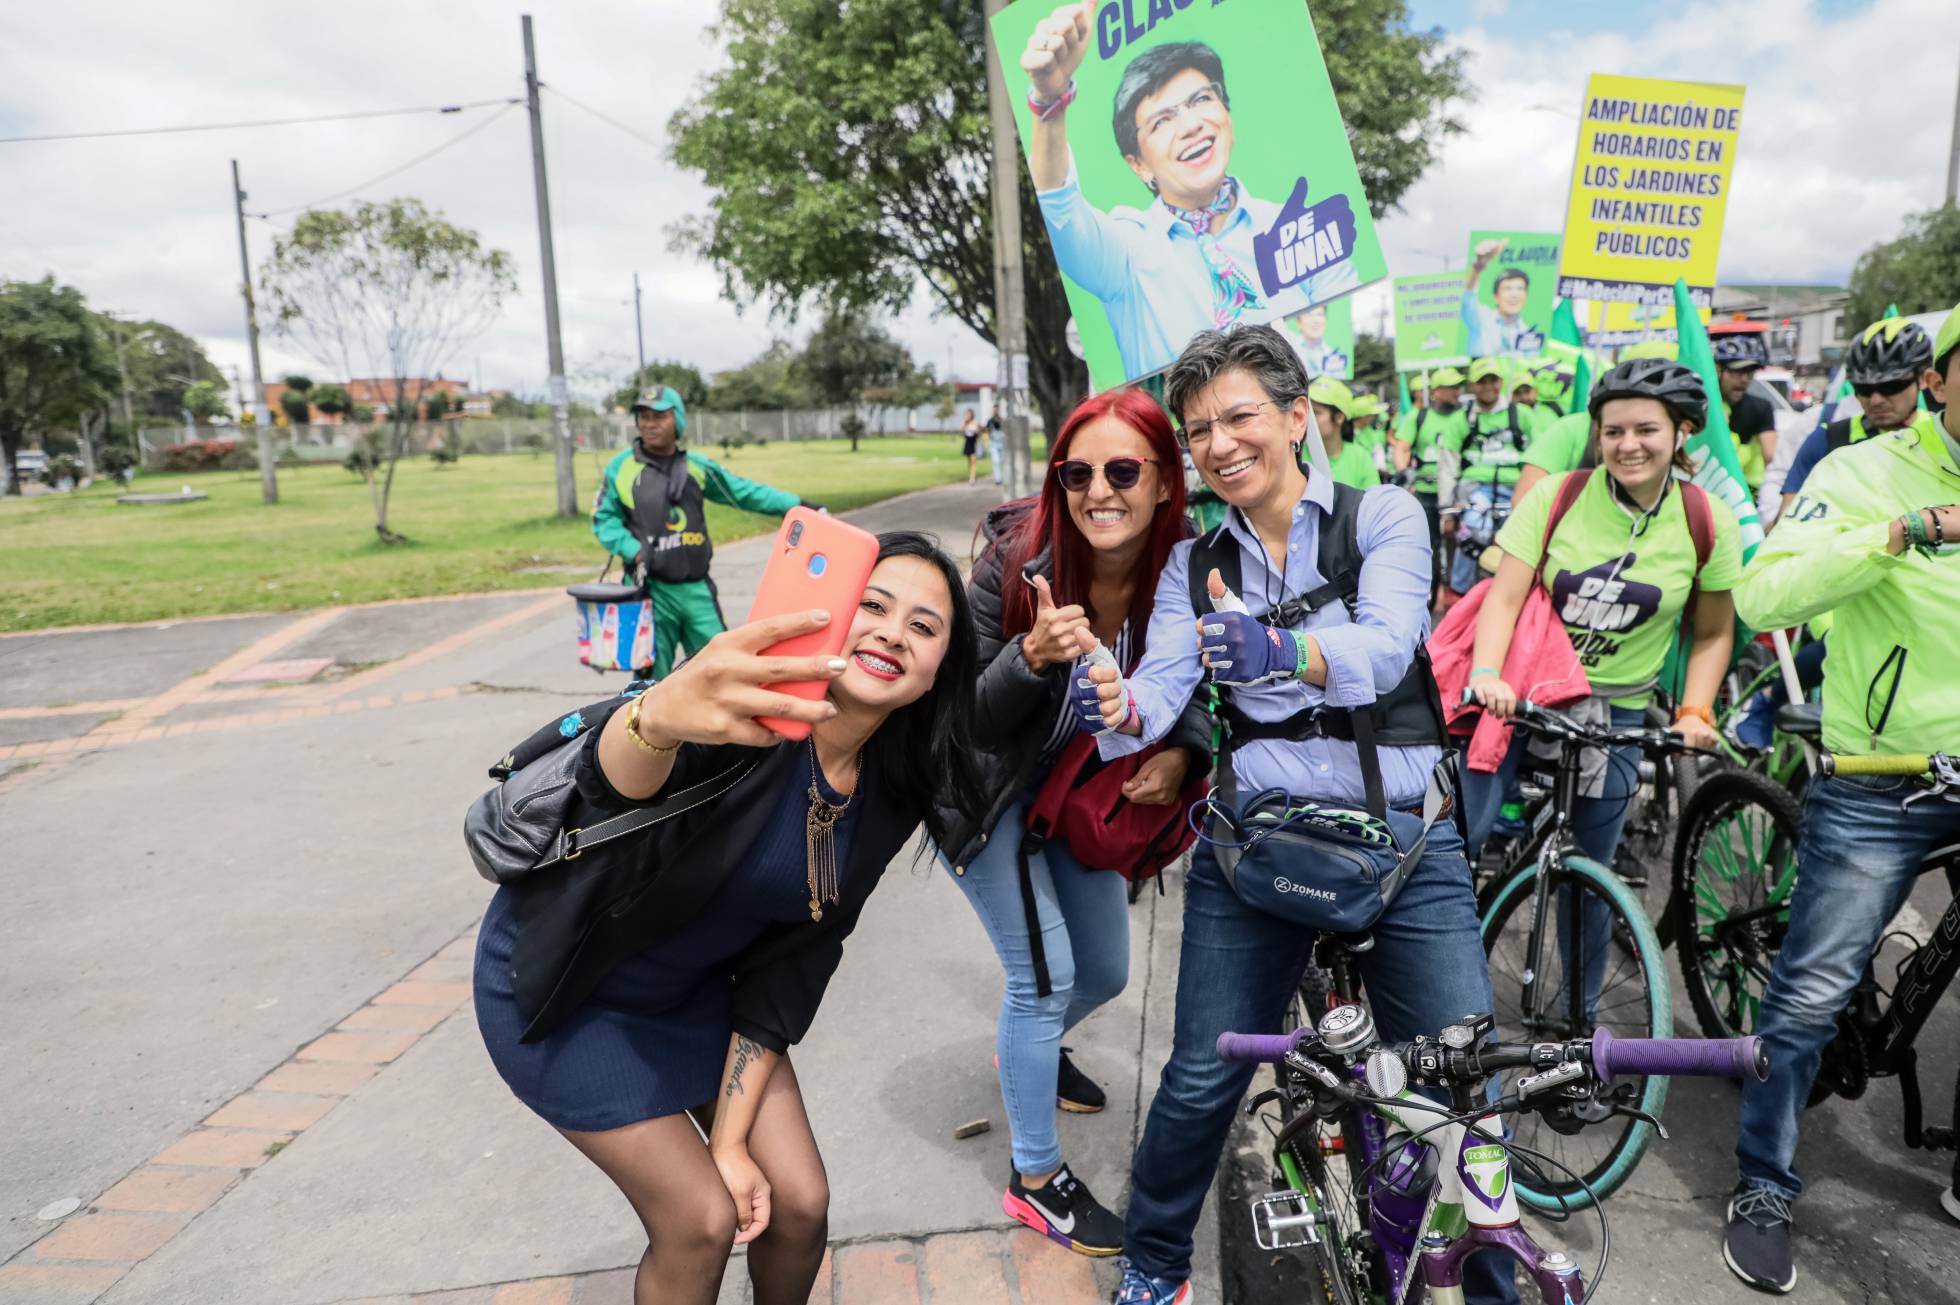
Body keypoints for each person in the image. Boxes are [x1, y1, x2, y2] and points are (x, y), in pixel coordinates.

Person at [1075, 325, 1510, 1305]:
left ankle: (1489, 1291)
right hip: (1256, 850)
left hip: (1405, 847)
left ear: (1296, 417)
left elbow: (1393, 648)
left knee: (1462, 1091)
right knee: (1199, 1077)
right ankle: (1151, 1268)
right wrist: (1103, 692)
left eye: (1239, 418)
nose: (1220, 444)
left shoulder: (1382, 516)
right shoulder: (1190, 566)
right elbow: (1148, 700)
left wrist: (1285, 654)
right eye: (1198, 432)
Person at [468, 533, 984, 1305]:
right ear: (834, 612)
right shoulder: (739, 715)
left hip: (697, 995)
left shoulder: (892, 789)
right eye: (872, 605)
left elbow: (796, 960)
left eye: (923, 625)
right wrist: (658, 716)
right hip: (569, 991)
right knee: (701, 1218)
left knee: (801, 1203)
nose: (890, 632)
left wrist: (735, 1138)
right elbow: (618, 783)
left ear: (942, 665)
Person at [1720, 303, 1960, 1294]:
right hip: (1880, 780)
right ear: (1939, 382)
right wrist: (1900, 533)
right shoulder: (1861, 471)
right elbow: (1763, 599)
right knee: (1814, 990)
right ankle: (1763, 1184)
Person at [938, 387, 1207, 1257]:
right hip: (981, 794)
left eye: (1124, 469)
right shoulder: (1015, 561)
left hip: (1075, 797)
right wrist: (1029, 655)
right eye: (1079, 470)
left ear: (1165, 481)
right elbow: (965, 720)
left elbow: (1204, 681)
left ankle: (1030, 1051)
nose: (1100, 489)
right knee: (1042, 978)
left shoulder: (1187, 567)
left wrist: (1183, 754)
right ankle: (1035, 1177)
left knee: (1105, 968)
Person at [1462, 359, 1739, 873]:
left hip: (1619, 710)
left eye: (1646, 429)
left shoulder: (1708, 518)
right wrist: (1485, 675)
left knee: (1591, 871)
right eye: (1613, 432)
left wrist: (1696, 711)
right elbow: (1503, 599)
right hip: (1521, 694)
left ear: (1683, 432)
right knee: (1462, 841)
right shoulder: (1557, 495)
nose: (1628, 444)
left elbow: (1714, 631)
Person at [1019, 5, 1359, 380]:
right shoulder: (1125, 252)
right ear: (1138, 164)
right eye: (1162, 121)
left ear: (1226, 112)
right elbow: (1060, 208)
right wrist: (1049, 99)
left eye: (1201, 100)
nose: (1191, 125)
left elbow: (1335, 335)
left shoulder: (1297, 226)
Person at [593, 388, 816, 678]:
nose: (650, 424)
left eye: (660, 416)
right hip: (650, 591)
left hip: (696, 589)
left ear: (679, 421)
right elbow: (603, 519)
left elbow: (744, 491)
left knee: (722, 667)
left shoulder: (697, 466)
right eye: (643, 417)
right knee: (650, 681)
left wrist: (796, 506)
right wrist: (632, 548)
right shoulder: (620, 467)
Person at [1779, 317, 1937, 517]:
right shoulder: (1827, 440)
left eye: (1891, 386)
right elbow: (1787, 524)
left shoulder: (1945, 437)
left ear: (1924, 379)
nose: (1876, 400)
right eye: (1864, 389)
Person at [1439, 359, 1548, 595]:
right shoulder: (1462, 419)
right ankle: (1459, 594)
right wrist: (1447, 509)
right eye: (1482, 381)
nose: (1488, 386)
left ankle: (1519, 595)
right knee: (1472, 534)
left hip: (1517, 490)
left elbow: (1541, 456)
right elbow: (1448, 464)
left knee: (1518, 544)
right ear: (1472, 385)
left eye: (1493, 380)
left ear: (1501, 383)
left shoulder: (1522, 415)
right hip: (1476, 490)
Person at [1390, 366, 1467, 599]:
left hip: (1455, 492)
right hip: (1424, 491)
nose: (1456, 392)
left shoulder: (1466, 416)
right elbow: (1401, 447)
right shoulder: (1419, 416)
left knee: (1458, 541)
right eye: (1450, 387)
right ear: (1436, 391)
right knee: (1428, 544)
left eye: (1458, 386)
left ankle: (1454, 590)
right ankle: (1430, 595)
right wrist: (1405, 473)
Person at [1712, 333, 1778, 493]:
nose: (1744, 379)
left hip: (1748, 495)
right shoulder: (1705, 407)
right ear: (1718, 370)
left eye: (1750, 373)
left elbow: (1772, 457)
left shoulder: (1761, 407)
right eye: (1737, 372)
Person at [1461, 239, 1544, 356]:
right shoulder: (1481, 318)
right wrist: (1478, 267)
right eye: (1507, 289)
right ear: (1496, 296)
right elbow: (1467, 299)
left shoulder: (1528, 334)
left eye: (1520, 289)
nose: (1514, 295)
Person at [1307, 375, 1382, 489]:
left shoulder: (1360, 458)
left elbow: (1373, 502)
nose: (1307, 417)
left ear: (1339, 418)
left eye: (1316, 413)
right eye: (1306, 410)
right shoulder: (1293, 454)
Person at [1280, 303, 1349, 379]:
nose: (1315, 320)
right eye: (1309, 315)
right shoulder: (1288, 347)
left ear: (1325, 320)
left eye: (1319, 314)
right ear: (1298, 322)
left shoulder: (1333, 354)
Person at [962, 408, 982, 485]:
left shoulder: (975, 423)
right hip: (967, 443)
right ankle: (971, 475)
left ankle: (972, 478)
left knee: (973, 461)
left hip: (973, 442)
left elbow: (978, 433)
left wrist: (978, 429)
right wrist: (965, 423)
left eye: (968, 414)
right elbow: (962, 431)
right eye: (966, 414)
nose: (967, 416)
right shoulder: (965, 423)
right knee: (969, 462)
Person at [988, 410, 1007, 487]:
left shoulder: (1002, 420)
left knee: (1002, 461)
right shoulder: (990, 421)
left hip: (1001, 444)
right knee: (996, 461)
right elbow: (988, 430)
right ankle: (998, 479)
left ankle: (1003, 478)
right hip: (994, 444)